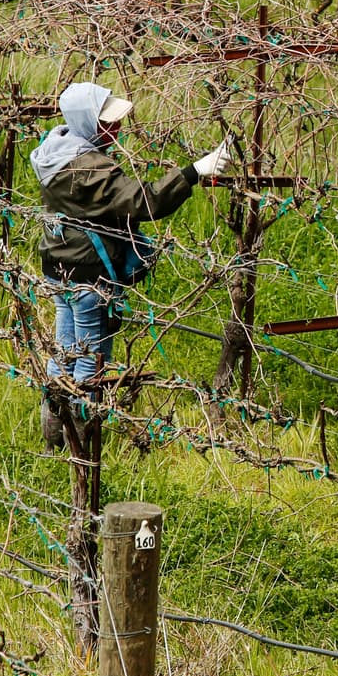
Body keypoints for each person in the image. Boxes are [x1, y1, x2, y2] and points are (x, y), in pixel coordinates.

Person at [29, 81, 232, 448]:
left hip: (57, 266)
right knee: (92, 357)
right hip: (91, 273)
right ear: (88, 122)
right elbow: (144, 202)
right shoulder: (88, 170)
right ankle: (82, 441)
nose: (117, 128)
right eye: (107, 121)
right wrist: (193, 172)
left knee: (63, 350)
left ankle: (53, 432)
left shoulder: (54, 149)